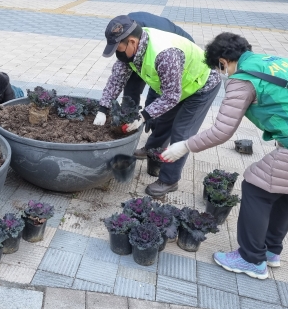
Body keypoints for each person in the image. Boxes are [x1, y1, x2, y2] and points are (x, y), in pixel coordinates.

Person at [161, 33, 288, 279]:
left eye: (221, 69)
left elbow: (221, 131)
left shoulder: (243, 79)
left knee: (255, 185)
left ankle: (251, 258)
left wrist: (185, 145)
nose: (223, 74)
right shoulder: (276, 61)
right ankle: (271, 251)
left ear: (223, 62)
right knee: (287, 185)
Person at [94, 15, 220, 197]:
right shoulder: (130, 51)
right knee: (164, 119)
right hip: (177, 85)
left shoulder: (164, 54)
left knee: (181, 133)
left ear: (131, 42)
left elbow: (171, 96)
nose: (117, 53)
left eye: (118, 49)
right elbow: (116, 80)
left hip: (201, 85)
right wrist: (102, 109)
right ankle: (152, 150)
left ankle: (169, 180)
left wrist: (143, 116)